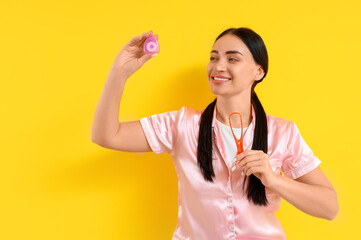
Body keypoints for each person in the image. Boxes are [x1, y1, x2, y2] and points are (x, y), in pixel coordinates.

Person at [91, 27, 338, 240]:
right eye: (213, 57)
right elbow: (107, 135)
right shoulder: (180, 125)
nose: (218, 66)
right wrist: (119, 73)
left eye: (232, 59)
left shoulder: (283, 132)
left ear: (258, 72)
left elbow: (329, 207)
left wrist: (274, 180)